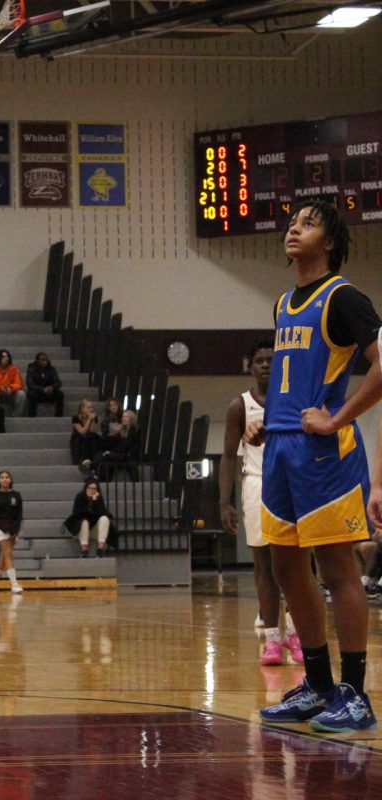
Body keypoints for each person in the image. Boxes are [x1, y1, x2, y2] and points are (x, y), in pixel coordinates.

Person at [258, 200, 382, 733]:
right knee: (286, 567)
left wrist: (337, 419)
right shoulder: (285, 303)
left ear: (329, 241)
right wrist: (271, 419)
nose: (293, 228)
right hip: (282, 445)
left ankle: (354, 693)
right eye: (292, 221)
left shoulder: (344, 297)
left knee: (336, 568)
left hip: (323, 454)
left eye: (307, 223)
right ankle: (318, 684)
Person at [219, 340, 303, 666]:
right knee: (264, 565)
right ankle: (272, 639)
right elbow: (228, 457)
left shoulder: (295, 399)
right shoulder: (239, 406)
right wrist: (224, 503)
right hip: (256, 484)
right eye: (259, 361)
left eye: (271, 359)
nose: (266, 365)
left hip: (293, 484)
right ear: (250, 366)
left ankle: (297, 634)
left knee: (297, 565)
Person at [0, 470, 23, 593]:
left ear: (11, 480)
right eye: (2, 477)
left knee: (4, 557)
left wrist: (15, 529)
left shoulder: (16, 495)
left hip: (13, 527)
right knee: (8, 553)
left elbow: (19, 514)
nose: (4, 479)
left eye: (7, 477)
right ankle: (14, 584)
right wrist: (3, 527)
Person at [65, 479, 113, 557]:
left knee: (104, 519)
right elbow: (77, 514)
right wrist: (88, 503)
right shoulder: (80, 497)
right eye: (89, 488)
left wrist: (94, 501)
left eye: (94, 489)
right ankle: (84, 549)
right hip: (80, 529)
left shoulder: (98, 498)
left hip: (93, 529)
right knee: (84, 521)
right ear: (86, 488)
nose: (91, 490)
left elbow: (103, 513)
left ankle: (100, 549)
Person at [95, 410, 141, 481]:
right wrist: (111, 436)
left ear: (131, 419)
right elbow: (115, 446)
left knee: (107, 456)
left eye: (126, 417)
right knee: (104, 457)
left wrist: (111, 453)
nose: (123, 418)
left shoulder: (134, 431)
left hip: (128, 456)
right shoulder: (121, 431)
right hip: (120, 455)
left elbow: (126, 447)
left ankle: (93, 468)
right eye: (123, 417)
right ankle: (102, 480)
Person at [0, 349, 26, 417]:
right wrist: (1, 388)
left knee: (21, 394)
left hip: (9, 393)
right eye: (3, 357)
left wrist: (10, 388)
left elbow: (19, 384)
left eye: (7, 356)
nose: (6, 359)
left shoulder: (13, 369)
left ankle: (16, 416)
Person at [25, 352, 64, 417]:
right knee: (32, 394)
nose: (45, 362)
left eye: (46, 360)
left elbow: (58, 382)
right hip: (38, 393)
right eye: (42, 360)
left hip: (49, 392)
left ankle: (59, 416)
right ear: (37, 361)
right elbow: (30, 385)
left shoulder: (51, 369)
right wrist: (42, 389)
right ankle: (31, 416)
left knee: (60, 394)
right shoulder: (31, 369)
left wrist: (52, 387)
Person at [70, 399, 102, 470]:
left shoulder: (94, 417)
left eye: (92, 407)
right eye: (88, 408)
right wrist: (89, 420)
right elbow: (82, 432)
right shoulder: (76, 418)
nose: (91, 409)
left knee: (94, 438)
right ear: (82, 409)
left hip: (89, 437)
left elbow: (92, 431)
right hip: (79, 438)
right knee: (83, 439)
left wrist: (93, 419)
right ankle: (83, 460)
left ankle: (92, 460)